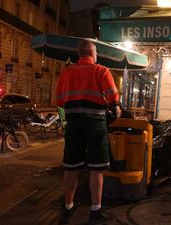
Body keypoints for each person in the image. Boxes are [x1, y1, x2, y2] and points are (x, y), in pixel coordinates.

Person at [56, 40, 121, 225]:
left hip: (74, 124)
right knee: (96, 168)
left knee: (71, 166)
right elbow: (112, 98)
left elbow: (59, 101)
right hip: (95, 125)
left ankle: (68, 206)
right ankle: (95, 210)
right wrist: (115, 107)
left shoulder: (66, 72)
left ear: (79, 53)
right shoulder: (101, 70)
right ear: (92, 52)